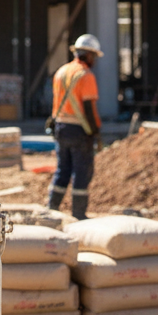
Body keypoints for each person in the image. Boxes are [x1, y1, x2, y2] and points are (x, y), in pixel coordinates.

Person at [47, 33, 102, 220]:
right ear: (87, 55)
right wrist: (94, 131)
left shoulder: (61, 72)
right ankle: (78, 214)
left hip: (61, 127)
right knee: (81, 171)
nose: (94, 60)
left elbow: (57, 102)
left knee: (63, 169)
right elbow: (88, 108)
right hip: (79, 130)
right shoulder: (86, 76)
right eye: (93, 56)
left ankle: (52, 209)